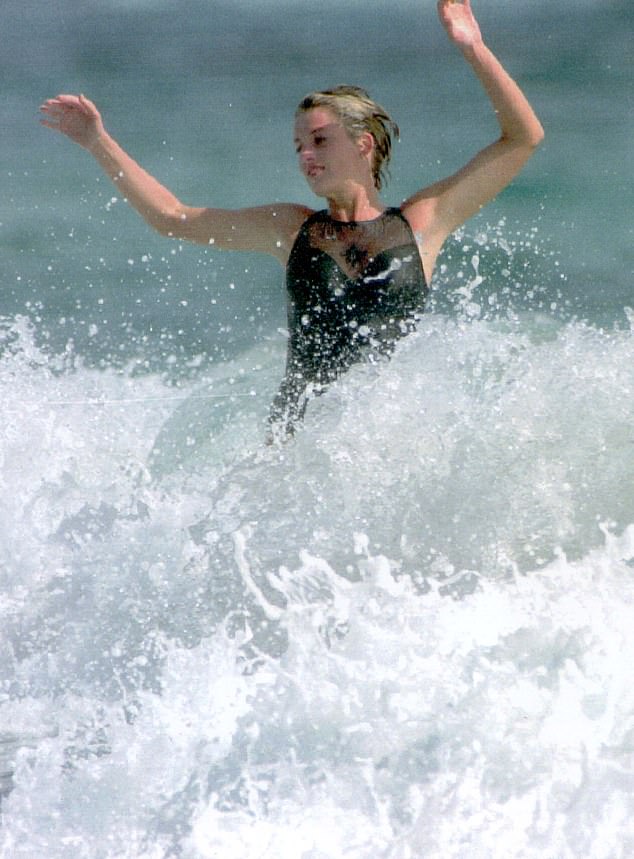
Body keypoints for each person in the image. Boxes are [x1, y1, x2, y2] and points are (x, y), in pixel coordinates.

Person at [40, 0, 543, 436]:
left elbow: (523, 138)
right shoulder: (292, 228)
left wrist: (472, 47)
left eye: (319, 140)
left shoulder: (422, 222)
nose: (305, 155)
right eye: (299, 146)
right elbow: (174, 217)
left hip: (388, 451)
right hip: (298, 449)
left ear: (363, 144)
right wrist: (97, 143)